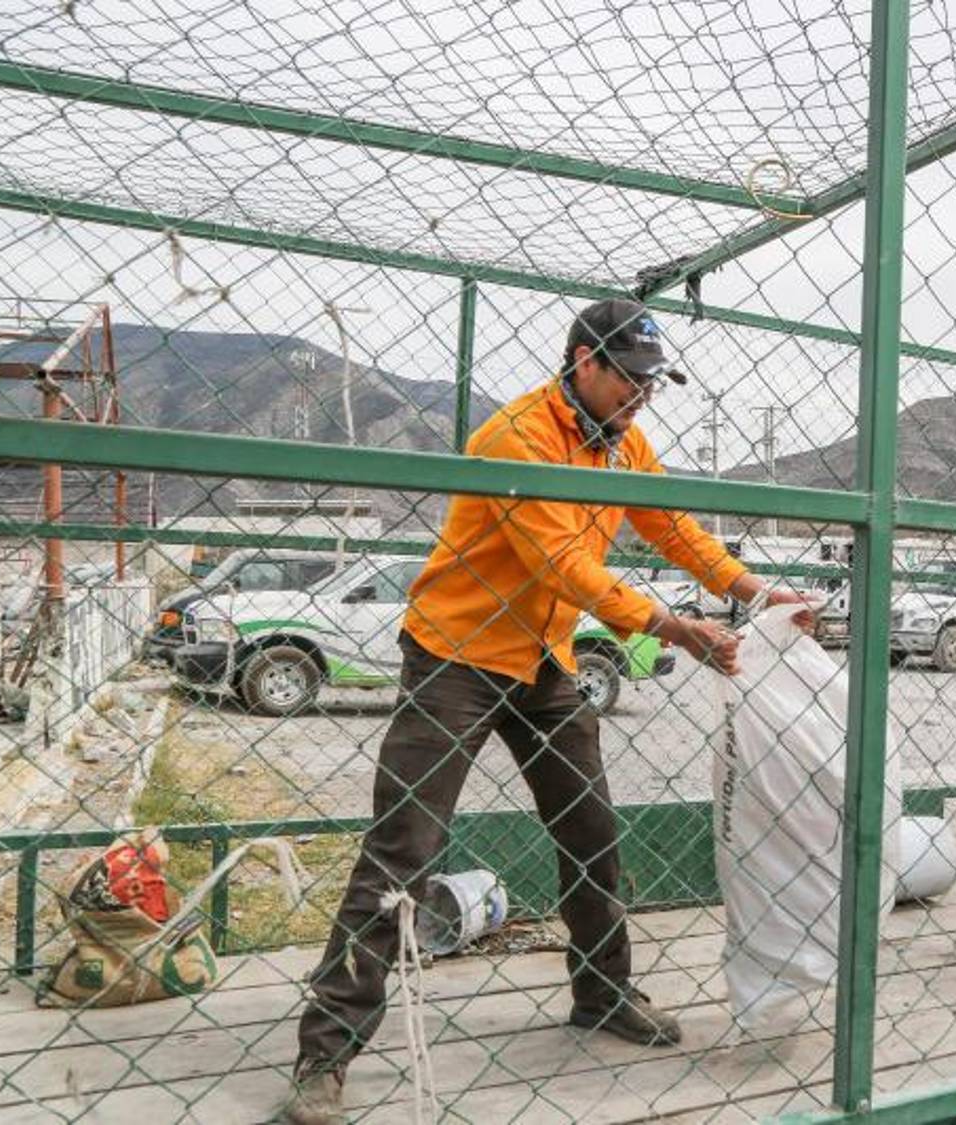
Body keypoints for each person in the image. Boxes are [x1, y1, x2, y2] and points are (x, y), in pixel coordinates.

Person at [285, 298, 808, 1123]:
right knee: (403, 848)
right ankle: (325, 1053)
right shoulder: (517, 436)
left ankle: (602, 992)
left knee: (590, 831)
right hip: (457, 655)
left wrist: (752, 589)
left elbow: (671, 526)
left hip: (544, 660)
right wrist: (671, 627)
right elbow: (562, 562)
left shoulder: (623, 440)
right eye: (630, 378)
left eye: (653, 382)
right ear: (583, 362)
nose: (642, 395)